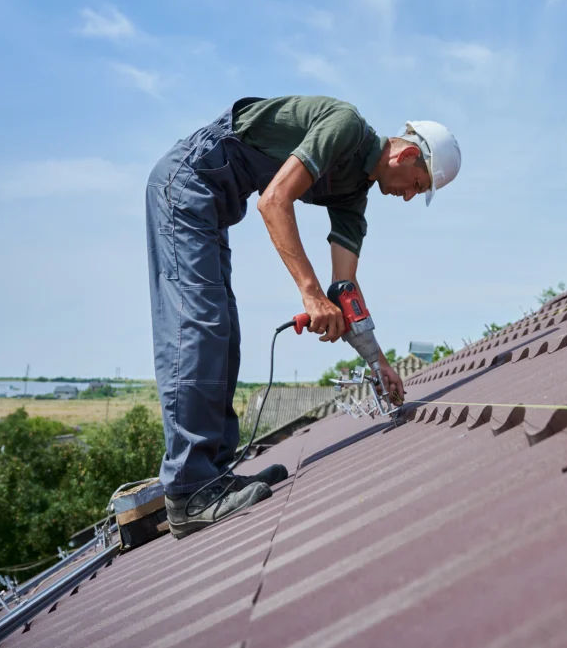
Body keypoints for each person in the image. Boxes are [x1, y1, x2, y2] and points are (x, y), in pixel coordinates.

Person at [145, 95, 461, 538]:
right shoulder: (345, 126)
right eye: (417, 184)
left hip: (211, 207)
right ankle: (189, 490)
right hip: (185, 186)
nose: (408, 196)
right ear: (407, 155)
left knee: (223, 333)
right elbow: (274, 201)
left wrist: (379, 363)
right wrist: (311, 296)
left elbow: (345, 289)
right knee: (198, 326)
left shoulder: (353, 195)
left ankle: (213, 475)